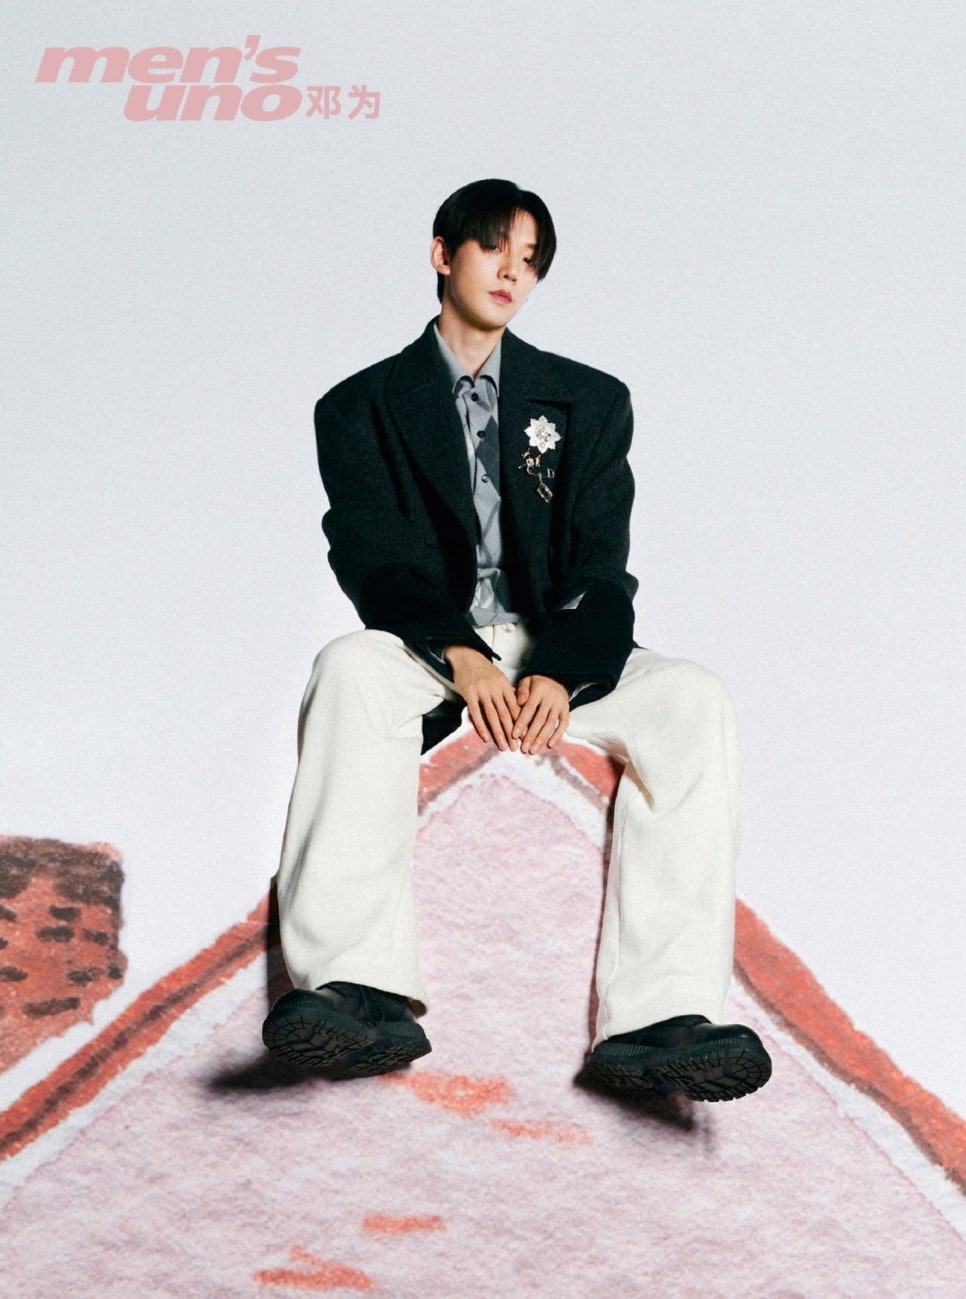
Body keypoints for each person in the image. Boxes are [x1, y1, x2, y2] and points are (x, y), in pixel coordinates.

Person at [262, 178, 772, 1102]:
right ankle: (353, 987)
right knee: (346, 670)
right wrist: (458, 654)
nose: (511, 271)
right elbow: (375, 561)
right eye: (494, 246)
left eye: (530, 259)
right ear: (442, 252)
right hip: (430, 638)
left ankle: (661, 1016)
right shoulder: (359, 407)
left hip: (553, 637)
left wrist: (560, 673)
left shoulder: (589, 401)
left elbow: (602, 569)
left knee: (693, 697)